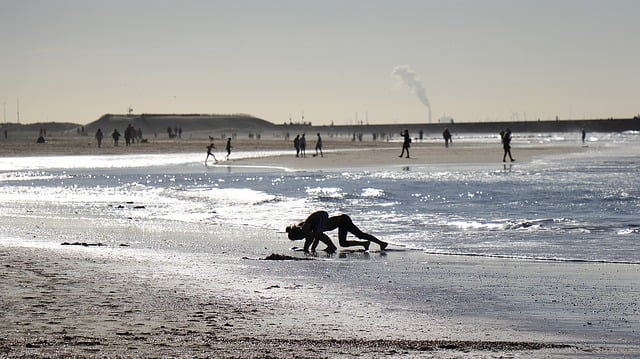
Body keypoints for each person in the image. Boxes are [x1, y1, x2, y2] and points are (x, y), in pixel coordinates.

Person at [286, 211, 388, 253]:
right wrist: (310, 249)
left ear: (298, 234)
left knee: (359, 234)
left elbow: (312, 238)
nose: (299, 239)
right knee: (343, 243)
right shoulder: (310, 229)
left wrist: (308, 249)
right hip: (341, 222)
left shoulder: (306, 227)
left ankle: (381, 243)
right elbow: (314, 238)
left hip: (343, 220)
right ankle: (365, 243)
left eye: (297, 238)